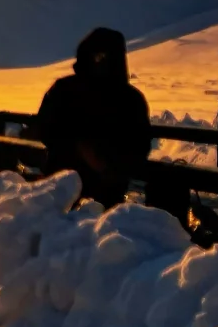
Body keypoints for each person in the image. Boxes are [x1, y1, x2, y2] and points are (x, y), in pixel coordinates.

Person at [33, 26, 153, 210]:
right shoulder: (65, 89)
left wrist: (107, 162)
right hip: (67, 194)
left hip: (93, 197)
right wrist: (79, 146)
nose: (100, 62)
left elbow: (139, 145)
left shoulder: (129, 99)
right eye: (97, 56)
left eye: (105, 57)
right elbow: (44, 129)